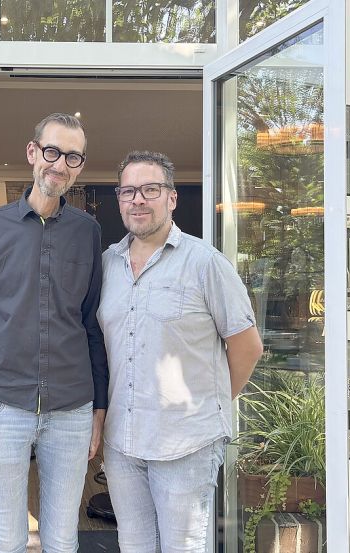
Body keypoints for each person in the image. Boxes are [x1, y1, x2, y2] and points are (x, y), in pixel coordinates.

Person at [0, 113, 109, 553]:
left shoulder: (88, 233)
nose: (60, 165)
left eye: (72, 157)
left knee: (62, 539)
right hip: (1, 406)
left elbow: (93, 325)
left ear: (79, 166)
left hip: (72, 409)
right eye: (52, 152)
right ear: (32, 152)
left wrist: (100, 408)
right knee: (7, 539)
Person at [97, 151, 264, 552]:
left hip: (185, 445)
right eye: (128, 191)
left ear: (171, 198)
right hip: (122, 443)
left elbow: (247, 346)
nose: (138, 199)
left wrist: (207, 404)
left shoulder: (205, 263)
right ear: (119, 200)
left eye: (150, 189)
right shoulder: (105, 265)